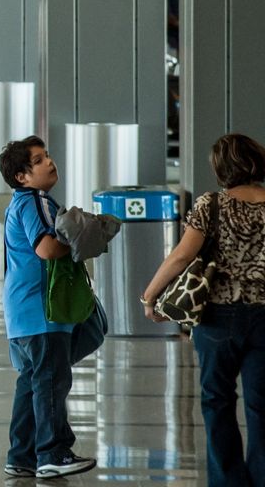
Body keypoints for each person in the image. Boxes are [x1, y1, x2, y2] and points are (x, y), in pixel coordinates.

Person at [142, 133, 265, 486]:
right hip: (264, 317)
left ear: (221, 168)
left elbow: (182, 256)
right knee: (261, 406)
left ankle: (227, 481)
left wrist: (151, 295)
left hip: (218, 317)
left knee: (217, 400)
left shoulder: (210, 205)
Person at [0, 136, 98, 481]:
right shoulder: (36, 200)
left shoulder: (19, 202)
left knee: (32, 381)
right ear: (22, 176)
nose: (50, 162)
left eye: (47, 156)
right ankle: (53, 452)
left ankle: (21, 455)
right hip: (43, 310)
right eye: (39, 160)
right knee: (52, 380)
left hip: (22, 311)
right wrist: (84, 236)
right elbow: (46, 248)